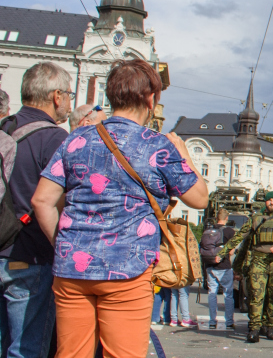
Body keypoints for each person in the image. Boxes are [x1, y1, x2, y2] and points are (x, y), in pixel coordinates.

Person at [31, 59, 207, 358]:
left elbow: (42, 200)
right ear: (152, 98)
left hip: (72, 269)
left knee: (71, 354)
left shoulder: (77, 140)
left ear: (111, 97)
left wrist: (62, 245)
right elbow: (199, 199)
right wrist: (185, 154)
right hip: (127, 268)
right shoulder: (156, 145)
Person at [0, 62, 73, 358]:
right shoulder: (55, 139)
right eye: (68, 94)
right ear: (56, 96)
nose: (69, 101)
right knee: (26, 348)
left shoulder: (5, 127)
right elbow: (60, 202)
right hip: (30, 255)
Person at [216, 191, 273, 342]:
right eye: (269, 201)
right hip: (259, 260)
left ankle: (270, 327)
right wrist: (222, 252)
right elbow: (240, 237)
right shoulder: (255, 219)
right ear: (265, 203)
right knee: (256, 295)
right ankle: (254, 328)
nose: (272, 203)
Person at [200, 209, 236, 330]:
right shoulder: (230, 231)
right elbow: (231, 252)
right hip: (224, 266)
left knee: (212, 293)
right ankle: (229, 322)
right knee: (228, 294)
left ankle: (212, 321)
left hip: (210, 266)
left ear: (216, 218)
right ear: (227, 218)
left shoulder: (208, 231)